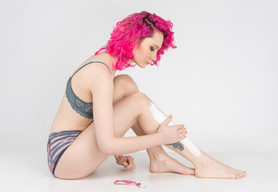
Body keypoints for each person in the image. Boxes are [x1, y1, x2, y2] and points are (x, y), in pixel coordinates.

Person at [47, 11, 246, 180]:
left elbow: (97, 121)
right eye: (152, 48)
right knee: (139, 102)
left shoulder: (105, 66)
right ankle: (203, 162)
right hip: (64, 158)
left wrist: (119, 154)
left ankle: (159, 158)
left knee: (126, 84)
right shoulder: (101, 74)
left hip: (72, 147)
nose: (154, 57)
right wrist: (159, 137)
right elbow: (106, 144)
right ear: (134, 38)